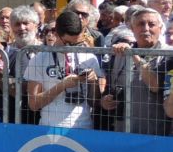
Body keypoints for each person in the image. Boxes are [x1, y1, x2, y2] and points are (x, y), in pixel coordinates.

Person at [25, 11, 105, 129]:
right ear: (56, 33)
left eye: (76, 43)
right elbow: (34, 104)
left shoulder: (89, 58)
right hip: (50, 128)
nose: (71, 47)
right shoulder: (38, 60)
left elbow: (95, 102)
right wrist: (62, 86)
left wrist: (93, 81)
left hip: (84, 127)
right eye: (67, 43)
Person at [102, 7, 170, 135]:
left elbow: (154, 85)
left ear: (160, 29)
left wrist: (134, 55)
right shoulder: (120, 53)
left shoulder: (168, 55)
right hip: (123, 131)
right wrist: (106, 101)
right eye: (140, 24)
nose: (146, 28)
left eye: (151, 24)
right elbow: (112, 88)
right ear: (132, 29)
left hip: (156, 134)